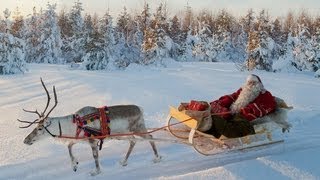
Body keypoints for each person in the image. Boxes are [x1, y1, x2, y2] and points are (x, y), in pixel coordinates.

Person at [181, 74, 277, 139]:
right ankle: (205, 126)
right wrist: (221, 102)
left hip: (244, 119)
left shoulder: (265, 94)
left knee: (219, 122)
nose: (251, 84)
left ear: (259, 84)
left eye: (253, 82)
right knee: (212, 111)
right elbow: (232, 97)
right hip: (233, 113)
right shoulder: (243, 90)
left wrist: (246, 110)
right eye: (249, 82)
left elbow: (269, 105)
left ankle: (212, 126)